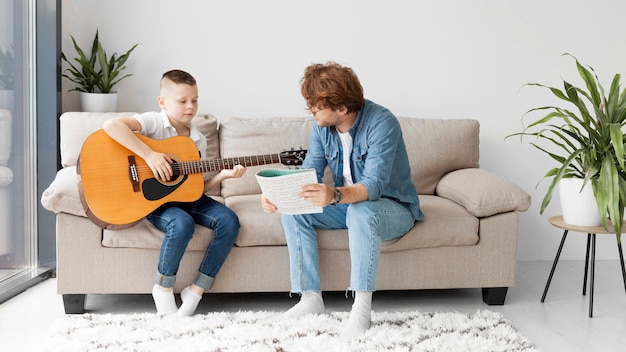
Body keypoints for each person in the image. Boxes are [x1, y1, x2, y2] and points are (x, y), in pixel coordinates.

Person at [261, 61, 424, 338]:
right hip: (346, 205)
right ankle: (310, 299)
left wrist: (334, 195)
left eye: (316, 105)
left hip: (392, 207)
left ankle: (361, 311)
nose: (310, 109)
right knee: (294, 211)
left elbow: (373, 185)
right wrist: (281, 196)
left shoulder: (382, 123)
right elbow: (309, 173)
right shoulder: (321, 127)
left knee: (361, 211)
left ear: (342, 109)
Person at [103, 69, 246, 316]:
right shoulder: (152, 122)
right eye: (182, 101)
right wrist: (149, 155)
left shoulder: (197, 138)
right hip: (155, 201)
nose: (190, 107)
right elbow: (111, 126)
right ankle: (163, 287)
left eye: (194, 100)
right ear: (162, 102)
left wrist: (222, 175)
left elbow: (194, 186)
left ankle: (197, 289)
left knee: (229, 220)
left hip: (188, 198)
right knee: (181, 223)